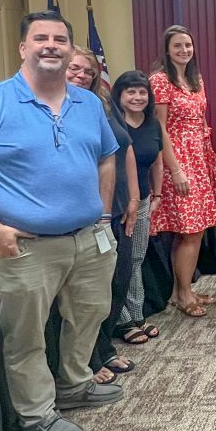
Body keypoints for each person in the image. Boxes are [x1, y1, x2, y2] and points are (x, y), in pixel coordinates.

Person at [0, 11, 121, 431]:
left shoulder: (88, 104)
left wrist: (100, 214)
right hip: (24, 247)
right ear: (23, 47)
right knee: (26, 336)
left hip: (88, 240)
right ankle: (36, 416)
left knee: (89, 316)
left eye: (60, 39)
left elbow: (106, 157)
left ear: (69, 48)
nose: (50, 45)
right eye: (40, 38)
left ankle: (75, 384)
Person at [66, 49, 139, 384]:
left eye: (88, 72)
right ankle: (91, 359)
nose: (82, 76)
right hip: (88, 215)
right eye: (74, 69)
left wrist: (134, 198)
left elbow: (122, 150)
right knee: (90, 293)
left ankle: (104, 345)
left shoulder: (101, 106)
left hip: (118, 208)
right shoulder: (59, 111)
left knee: (117, 282)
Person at [150, 25, 216, 318]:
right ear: (167, 50)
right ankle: (184, 294)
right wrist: (176, 170)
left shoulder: (195, 79)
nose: (184, 50)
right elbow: (159, 127)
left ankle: (179, 290)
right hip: (179, 160)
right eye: (177, 46)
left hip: (201, 157)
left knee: (189, 232)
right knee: (191, 231)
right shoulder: (159, 81)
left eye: (188, 45)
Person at [112, 70, 164, 343]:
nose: (137, 97)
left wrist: (157, 196)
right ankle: (122, 321)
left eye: (142, 92)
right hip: (115, 206)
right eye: (130, 91)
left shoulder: (152, 124)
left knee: (136, 259)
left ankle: (136, 313)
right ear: (119, 95)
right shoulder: (112, 124)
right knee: (118, 263)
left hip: (143, 201)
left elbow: (157, 161)